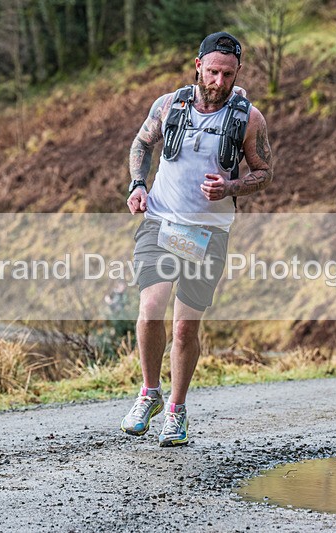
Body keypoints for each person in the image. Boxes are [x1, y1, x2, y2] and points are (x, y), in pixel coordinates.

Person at [121, 32, 273, 447]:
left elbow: (264, 172)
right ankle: (149, 393)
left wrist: (230, 187)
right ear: (198, 65)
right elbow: (142, 142)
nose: (219, 81)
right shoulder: (169, 105)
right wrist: (138, 184)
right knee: (151, 309)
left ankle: (176, 409)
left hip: (208, 234)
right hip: (160, 222)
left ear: (237, 73)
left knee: (185, 328)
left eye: (228, 74)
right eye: (213, 71)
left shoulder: (249, 119)